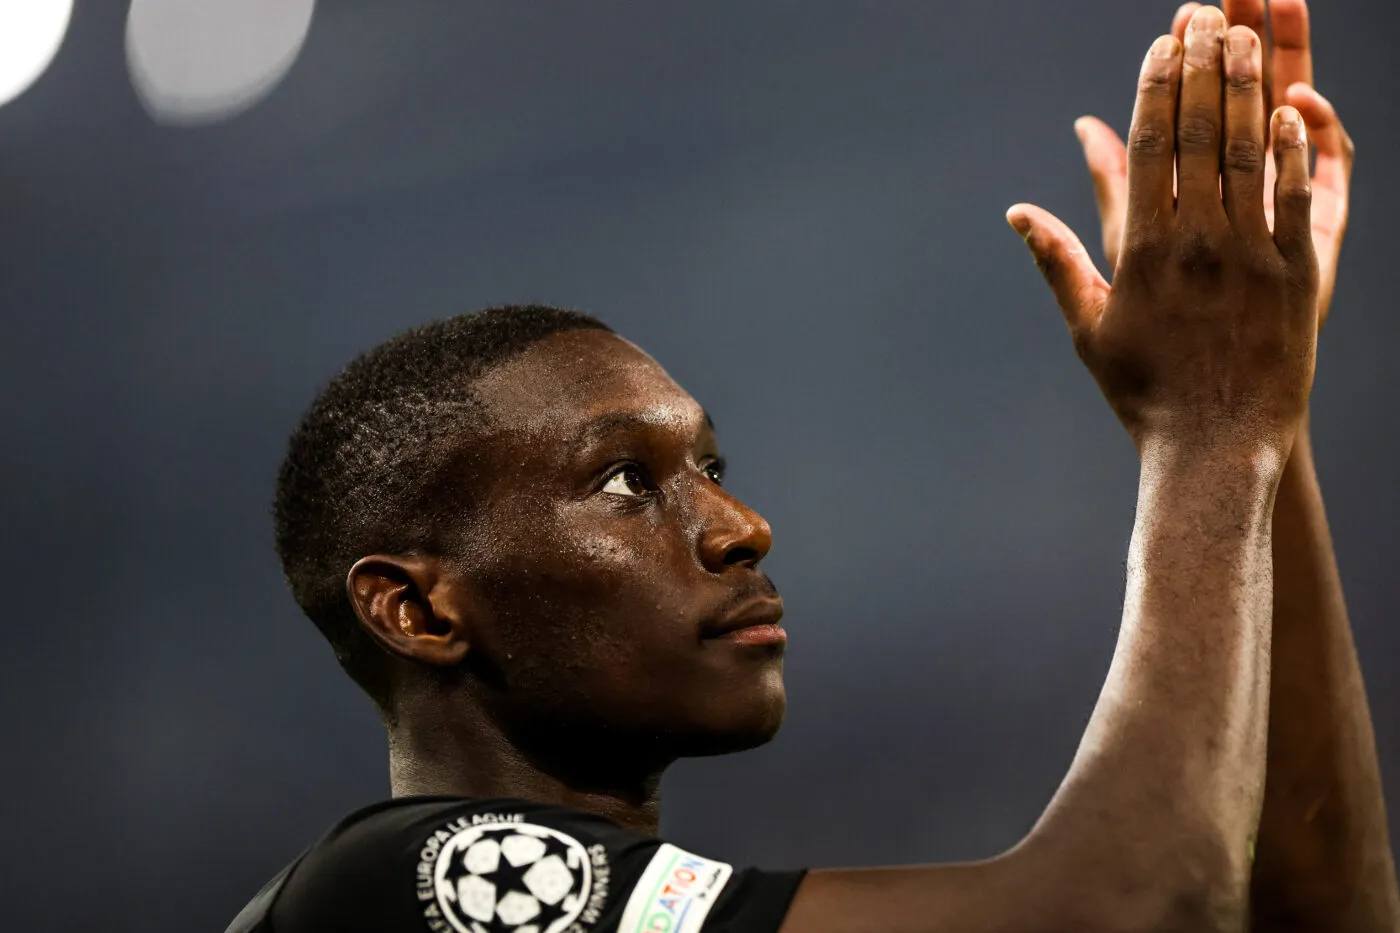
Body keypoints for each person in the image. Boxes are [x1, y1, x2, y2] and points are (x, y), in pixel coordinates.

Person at [227, 3, 1397, 932]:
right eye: (626, 482)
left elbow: (1316, 917)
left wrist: (1259, 407)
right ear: (417, 608)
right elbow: (1134, 909)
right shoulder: (392, 887)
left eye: (711, 466)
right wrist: (1210, 417)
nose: (740, 526)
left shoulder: (652, 906)